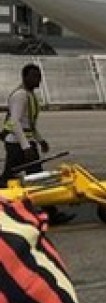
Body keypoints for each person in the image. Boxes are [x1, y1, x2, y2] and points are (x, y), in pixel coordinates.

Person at [2, 64, 74, 224]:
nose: (38, 79)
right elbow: (15, 122)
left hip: (23, 142)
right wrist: (26, 146)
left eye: (39, 75)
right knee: (35, 178)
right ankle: (51, 213)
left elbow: (29, 124)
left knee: (17, 177)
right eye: (34, 76)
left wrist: (40, 140)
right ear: (25, 77)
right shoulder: (20, 95)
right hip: (17, 144)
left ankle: (49, 212)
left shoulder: (30, 95)